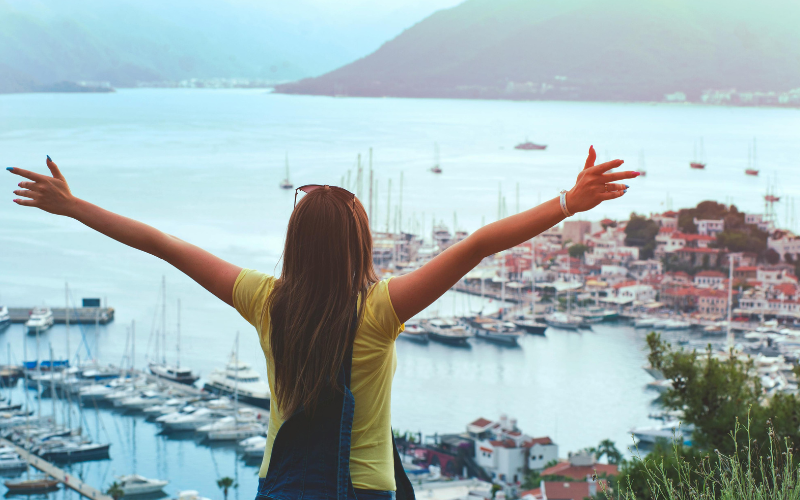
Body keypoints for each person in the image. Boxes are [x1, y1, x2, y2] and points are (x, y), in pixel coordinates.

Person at [7, 147, 637, 500]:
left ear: (296, 243)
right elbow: (477, 245)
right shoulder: (382, 310)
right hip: (362, 492)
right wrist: (567, 202)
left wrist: (72, 206)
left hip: (280, 490)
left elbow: (162, 243)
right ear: (360, 245)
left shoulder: (265, 299)